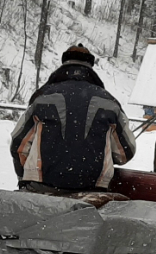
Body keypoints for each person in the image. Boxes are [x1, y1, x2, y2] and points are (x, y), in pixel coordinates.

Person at [9, 45, 136, 193]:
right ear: (90, 66)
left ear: (64, 63)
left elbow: (18, 146)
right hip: (93, 191)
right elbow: (125, 153)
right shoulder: (109, 102)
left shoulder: (42, 97)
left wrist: (32, 174)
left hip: (42, 188)